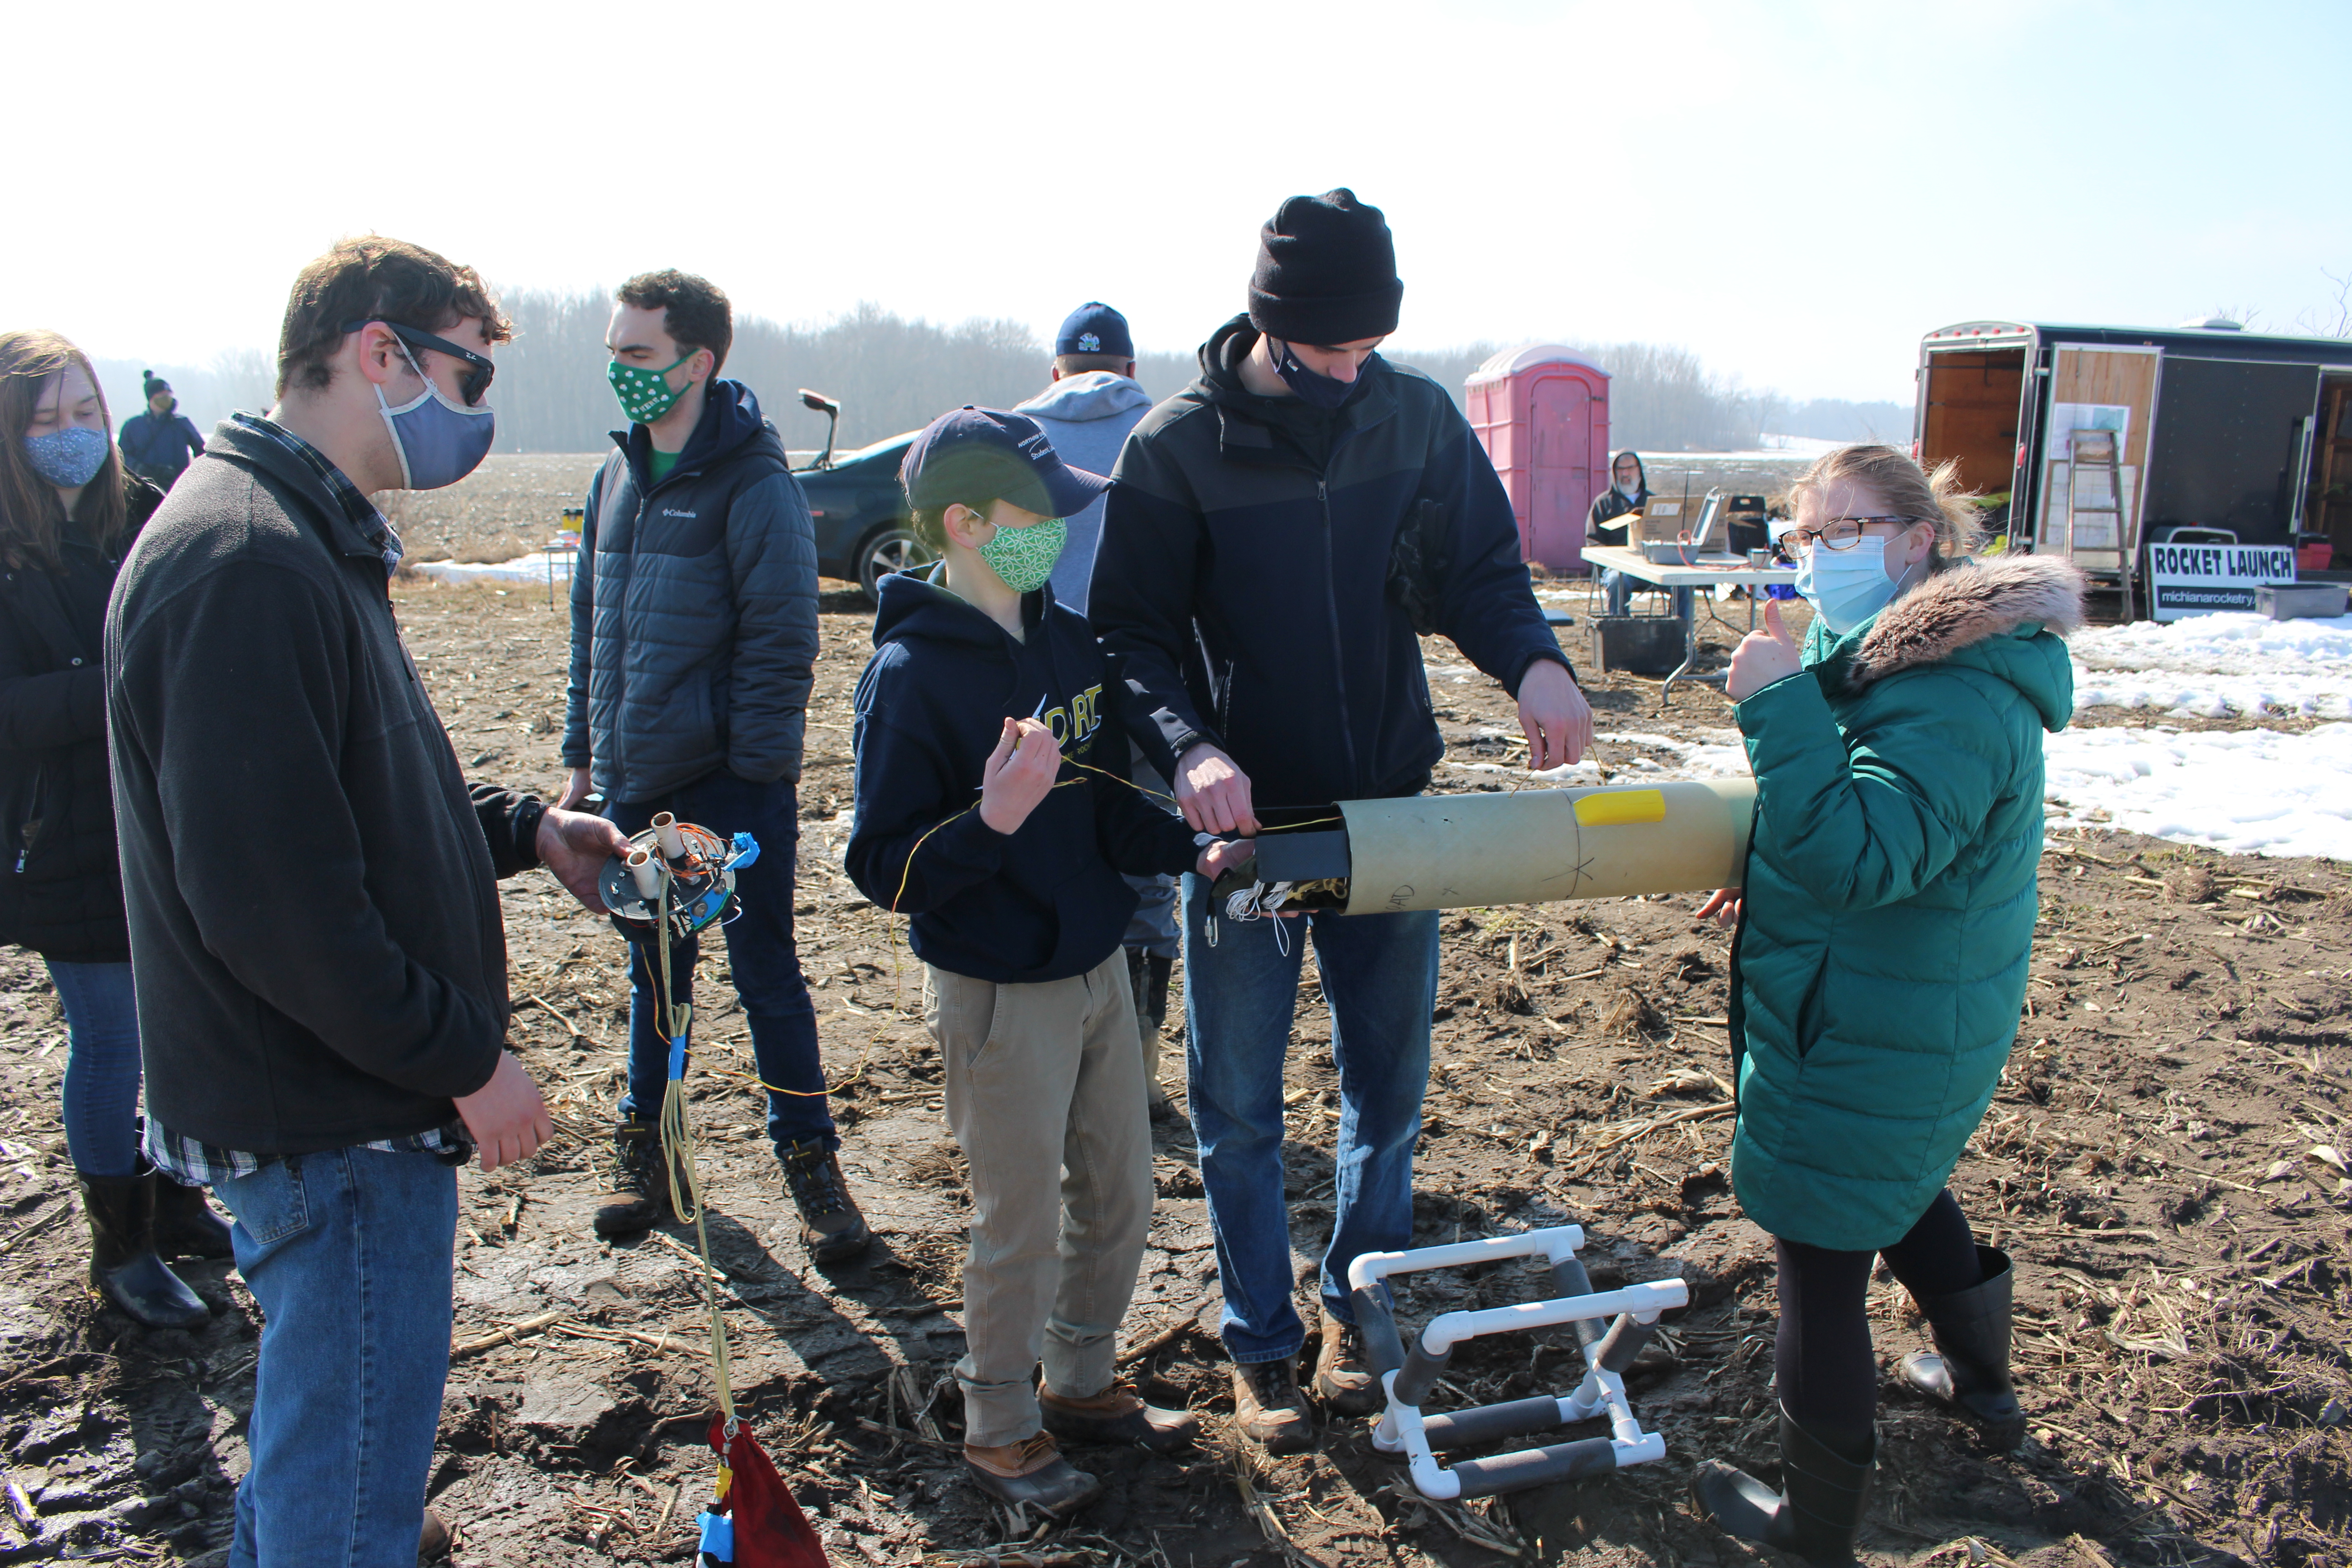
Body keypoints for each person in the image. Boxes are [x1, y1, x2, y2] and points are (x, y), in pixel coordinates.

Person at [106, 235, 631, 1567]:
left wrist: (523, 831)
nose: (479, 413)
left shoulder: (296, 535)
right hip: (332, 1121)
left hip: (336, 1102)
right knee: (342, 1512)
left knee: (315, 1466)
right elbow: (272, 905)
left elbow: (348, 798)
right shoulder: (247, 562)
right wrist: (463, 1060)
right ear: (379, 352)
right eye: (469, 376)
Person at [1088, 189, 1592, 1453]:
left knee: (1389, 1083)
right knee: (1239, 1103)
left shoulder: (1412, 418)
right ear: (1269, 324)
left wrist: (1533, 662)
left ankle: (1359, 1308)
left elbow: (1479, 569)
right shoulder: (1177, 447)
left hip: (1387, 814)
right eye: (1330, 346)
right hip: (1252, 831)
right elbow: (1130, 636)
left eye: (1370, 343)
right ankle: (1258, 1340)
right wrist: (1190, 746)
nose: (1352, 366)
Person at [845, 407, 1252, 1514]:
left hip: (1096, 966)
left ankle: (1078, 1378)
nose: (1059, 533)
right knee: (1017, 1220)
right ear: (966, 524)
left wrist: (1191, 851)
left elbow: (1111, 808)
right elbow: (881, 866)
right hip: (995, 990)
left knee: (1119, 1192)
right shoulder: (909, 676)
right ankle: (999, 1426)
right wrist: (990, 821)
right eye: (1038, 515)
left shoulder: (1065, 643)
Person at [1688, 444, 2084, 1565]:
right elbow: (1858, 813)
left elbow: (1864, 858)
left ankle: (1810, 1539)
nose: (1820, 556)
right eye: (1807, 535)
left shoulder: (1952, 691)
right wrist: (1769, 857)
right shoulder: (1892, 660)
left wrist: (1776, 705)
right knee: (1896, 1186)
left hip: (1870, 1015)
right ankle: (1985, 1388)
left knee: (1819, 1254)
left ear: (1919, 541)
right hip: (1899, 1006)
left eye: (1847, 531)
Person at [556, 270, 858, 1259]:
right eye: (614, 351)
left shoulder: (753, 483)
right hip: (639, 781)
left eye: (638, 353)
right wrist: (584, 759)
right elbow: (591, 629)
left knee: (766, 971)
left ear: (699, 362)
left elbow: (783, 639)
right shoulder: (614, 478)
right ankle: (647, 1150)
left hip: (732, 785)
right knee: (655, 973)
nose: (621, 369)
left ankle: (810, 1161)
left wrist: (751, 780)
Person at [0, 330, 231, 1330]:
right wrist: (116, 686)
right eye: (46, 420)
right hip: (62, 835)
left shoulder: (144, 513)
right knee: (109, 1037)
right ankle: (122, 1247)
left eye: (84, 413)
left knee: (182, 1016)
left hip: (163, 811)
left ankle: (176, 1194)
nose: (73, 433)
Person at [1012, 303, 1180, 1117]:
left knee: (1044, 861)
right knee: (1147, 872)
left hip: (1045, 689)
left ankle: (1054, 1068)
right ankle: (1136, 1072)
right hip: (1146, 686)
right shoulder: (1170, 431)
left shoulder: (1014, 439)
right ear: (1131, 369)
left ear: (1056, 372)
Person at [1585, 448, 1692, 619]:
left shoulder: (1654, 502)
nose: (1625, 473)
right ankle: (1621, 630)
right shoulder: (1603, 503)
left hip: (1653, 567)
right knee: (1616, 581)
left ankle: (1679, 630)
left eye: (1630, 468)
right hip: (1620, 570)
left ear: (1639, 470)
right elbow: (1593, 542)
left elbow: (1668, 535)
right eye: (1621, 469)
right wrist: (1615, 559)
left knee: (1683, 583)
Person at [116, 372, 205, 490]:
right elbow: (122, 456)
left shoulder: (181, 423)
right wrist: (139, 468)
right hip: (145, 489)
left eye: (169, 394)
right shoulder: (133, 426)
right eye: (162, 395)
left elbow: (202, 452)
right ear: (152, 398)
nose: (167, 398)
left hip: (178, 488)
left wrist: (195, 478)